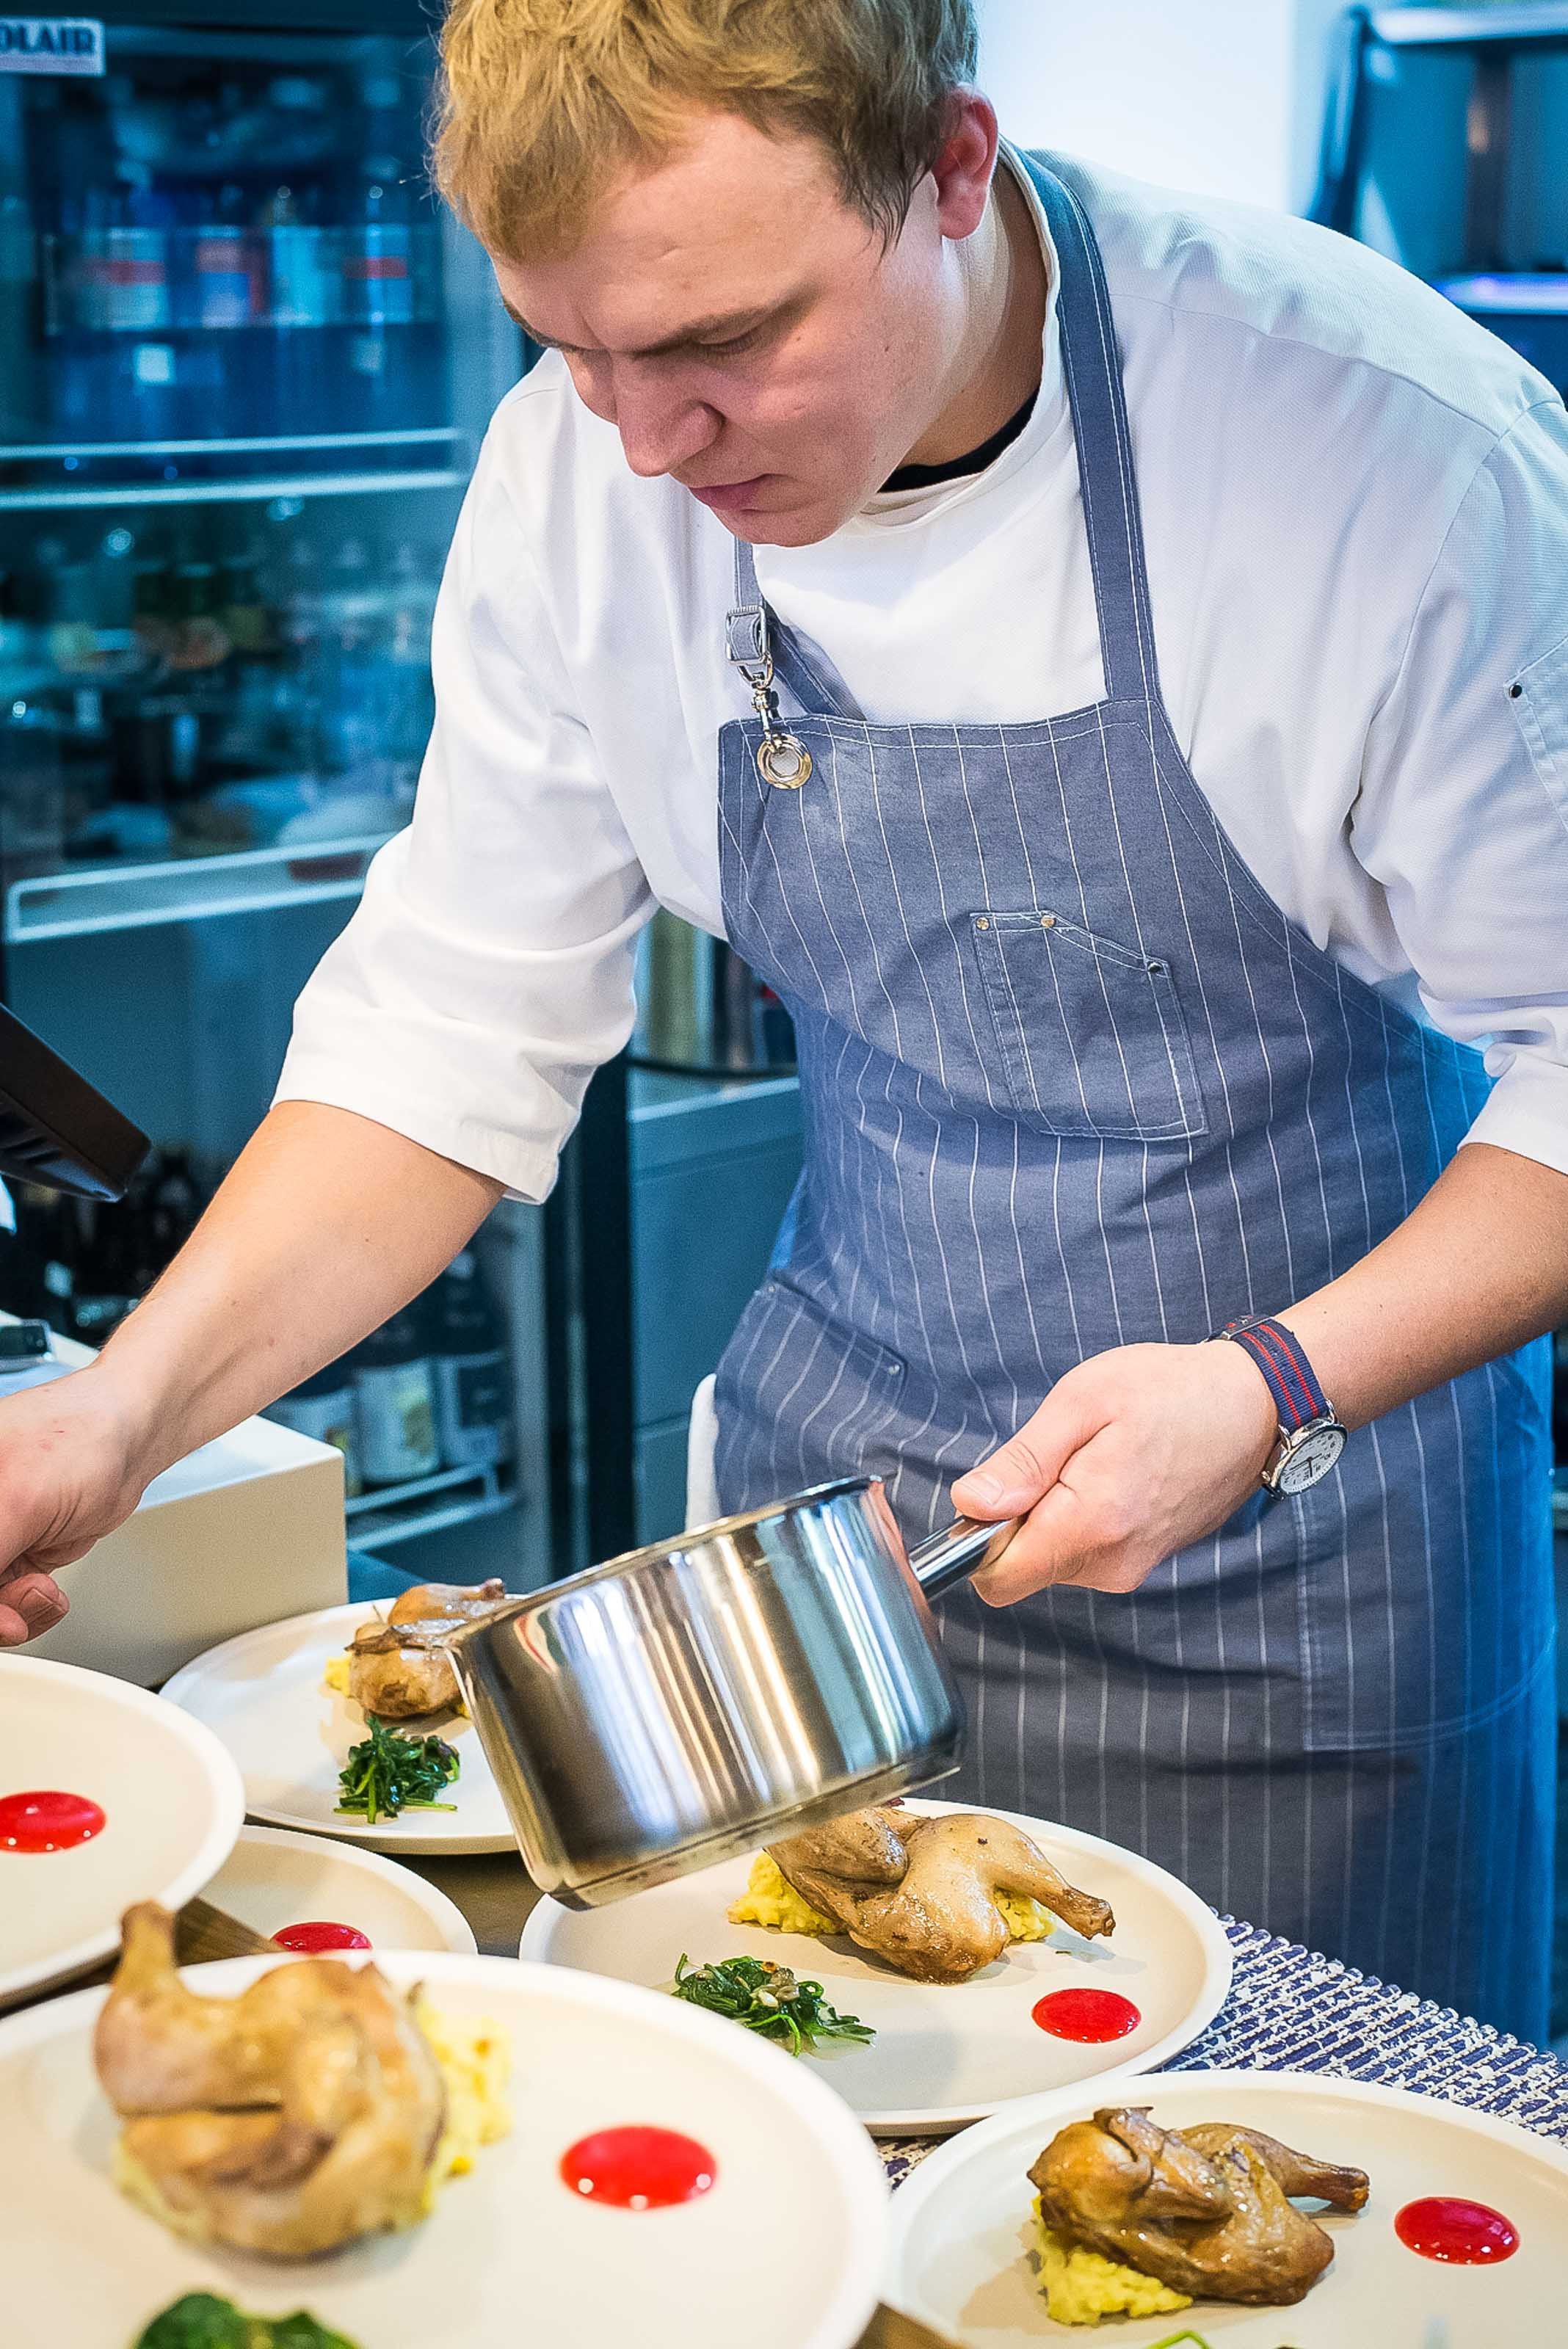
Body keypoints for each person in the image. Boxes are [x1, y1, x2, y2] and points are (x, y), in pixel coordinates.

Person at [4, 0, 1567, 2040]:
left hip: (1303, 1566)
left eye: (727, 341)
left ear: (952, 169)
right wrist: (126, 1413)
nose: (649, 442)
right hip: (819, 1576)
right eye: (577, 350)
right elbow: (448, 1032)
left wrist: (1268, 1382)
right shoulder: (587, 476)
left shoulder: (1371, 455)